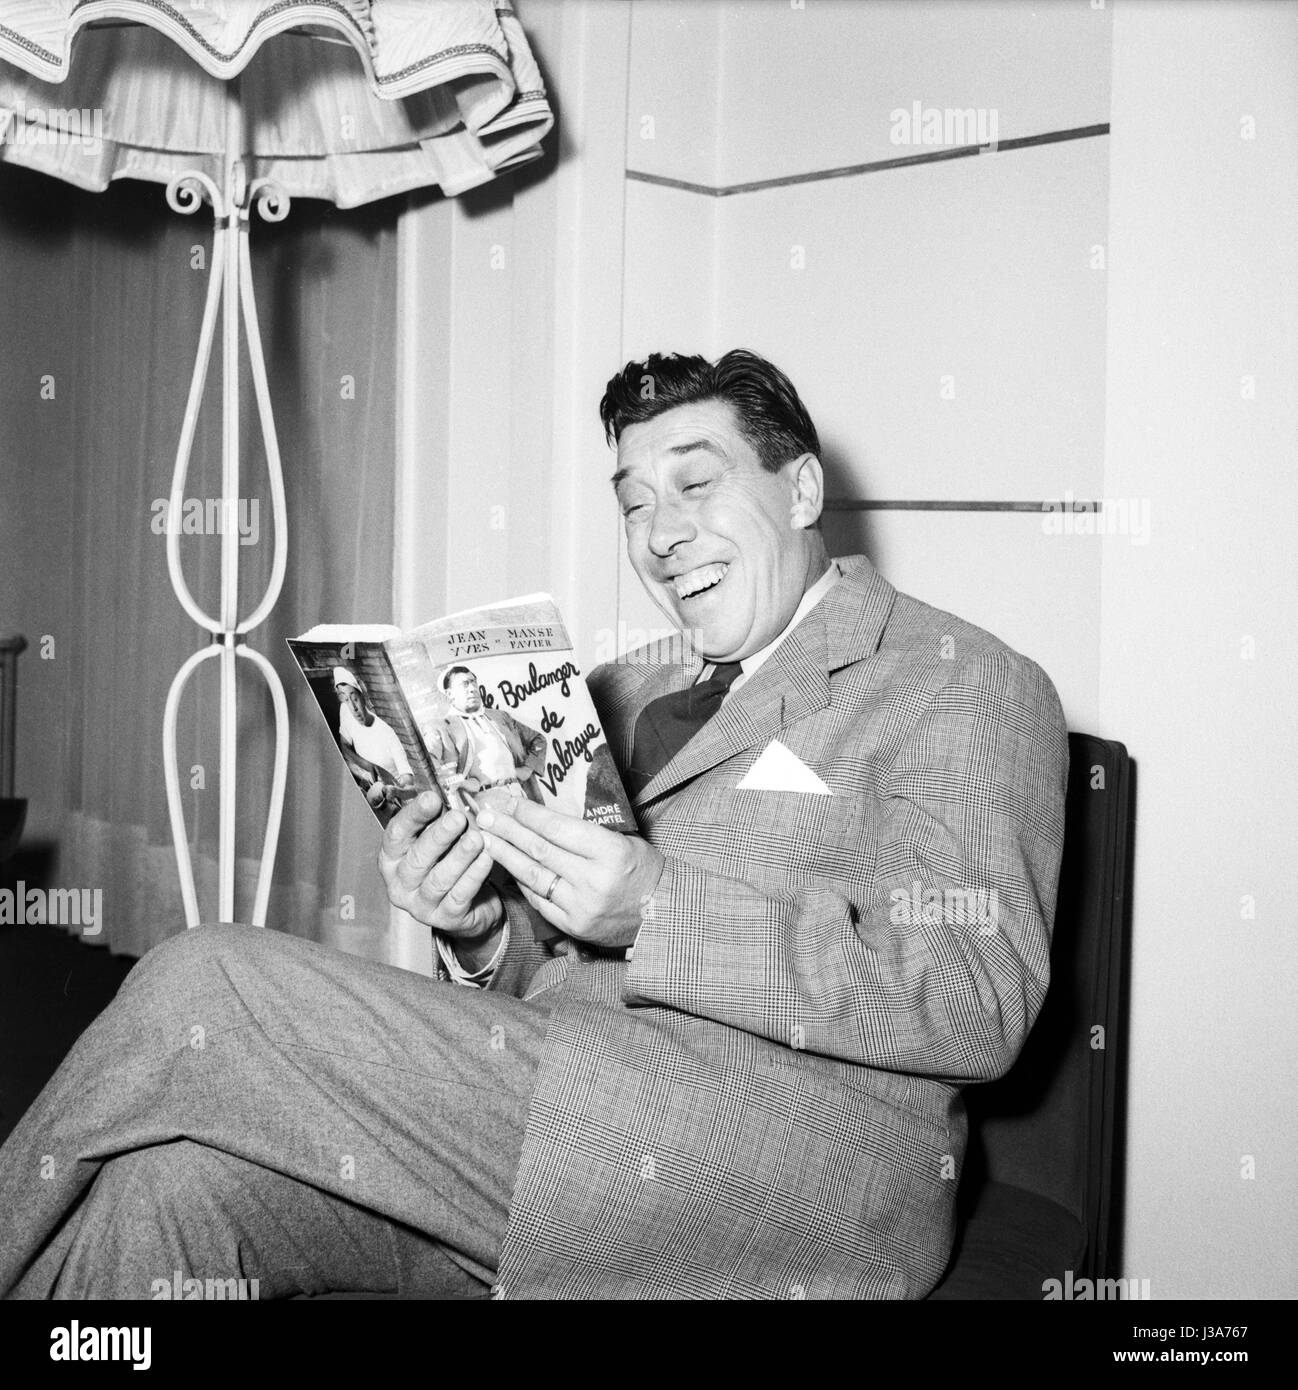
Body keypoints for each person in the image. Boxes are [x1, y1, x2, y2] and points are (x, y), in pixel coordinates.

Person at [0, 350, 1067, 1300]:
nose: (659, 533)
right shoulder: (615, 687)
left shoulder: (956, 679)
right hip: (553, 1125)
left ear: (798, 488)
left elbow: (976, 998)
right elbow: (554, 976)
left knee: (205, 980)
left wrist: (656, 908)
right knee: (167, 1189)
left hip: (770, 1168)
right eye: (633, 503)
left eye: (696, 482)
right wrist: (472, 929)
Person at [425, 665, 546, 814]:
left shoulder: (500, 717)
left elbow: (538, 740)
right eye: (465, 684)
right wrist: (460, 783)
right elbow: (428, 762)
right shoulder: (443, 727)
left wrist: (527, 769)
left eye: (473, 682)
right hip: (485, 803)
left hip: (519, 794)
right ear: (450, 694)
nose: (472, 688)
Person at [333, 666, 416, 817]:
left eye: (354, 697)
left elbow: (412, 789)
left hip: (399, 803)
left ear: (362, 693)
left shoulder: (387, 733)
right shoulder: (345, 710)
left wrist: (396, 790)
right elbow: (344, 746)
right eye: (345, 699)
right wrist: (366, 764)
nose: (353, 708)